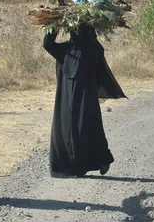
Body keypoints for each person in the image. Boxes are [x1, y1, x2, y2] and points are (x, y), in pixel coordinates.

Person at [43, 24, 126, 178]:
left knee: (79, 128)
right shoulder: (80, 49)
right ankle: (86, 163)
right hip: (77, 99)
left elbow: (48, 44)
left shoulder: (79, 50)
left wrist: (55, 25)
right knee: (79, 128)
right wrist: (54, 23)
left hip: (77, 98)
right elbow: (48, 44)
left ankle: (89, 162)